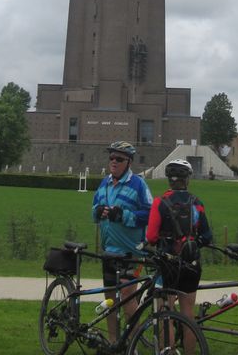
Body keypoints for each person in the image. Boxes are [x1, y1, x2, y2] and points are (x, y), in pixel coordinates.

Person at [92, 141, 153, 342]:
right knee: (110, 301)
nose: (114, 162)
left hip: (131, 253)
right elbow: (94, 210)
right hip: (109, 250)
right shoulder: (104, 184)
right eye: (111, 158)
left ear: (128, 162)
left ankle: (132, 343)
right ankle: (113, 342)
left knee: (127, 298)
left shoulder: (138, 184)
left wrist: (124, 215)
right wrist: (98, 212)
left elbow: (150, 213)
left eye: (119, 159)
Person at [146, 159, 212, 327]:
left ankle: (168, 351)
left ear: (169, 180)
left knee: (164, 312)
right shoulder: (197, 203)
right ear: (187, 180)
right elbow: (207, 235)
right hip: (191, 264)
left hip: (167, 264)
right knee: (188, 314)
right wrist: (192, 243)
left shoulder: (159, 202)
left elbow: (151, 237)